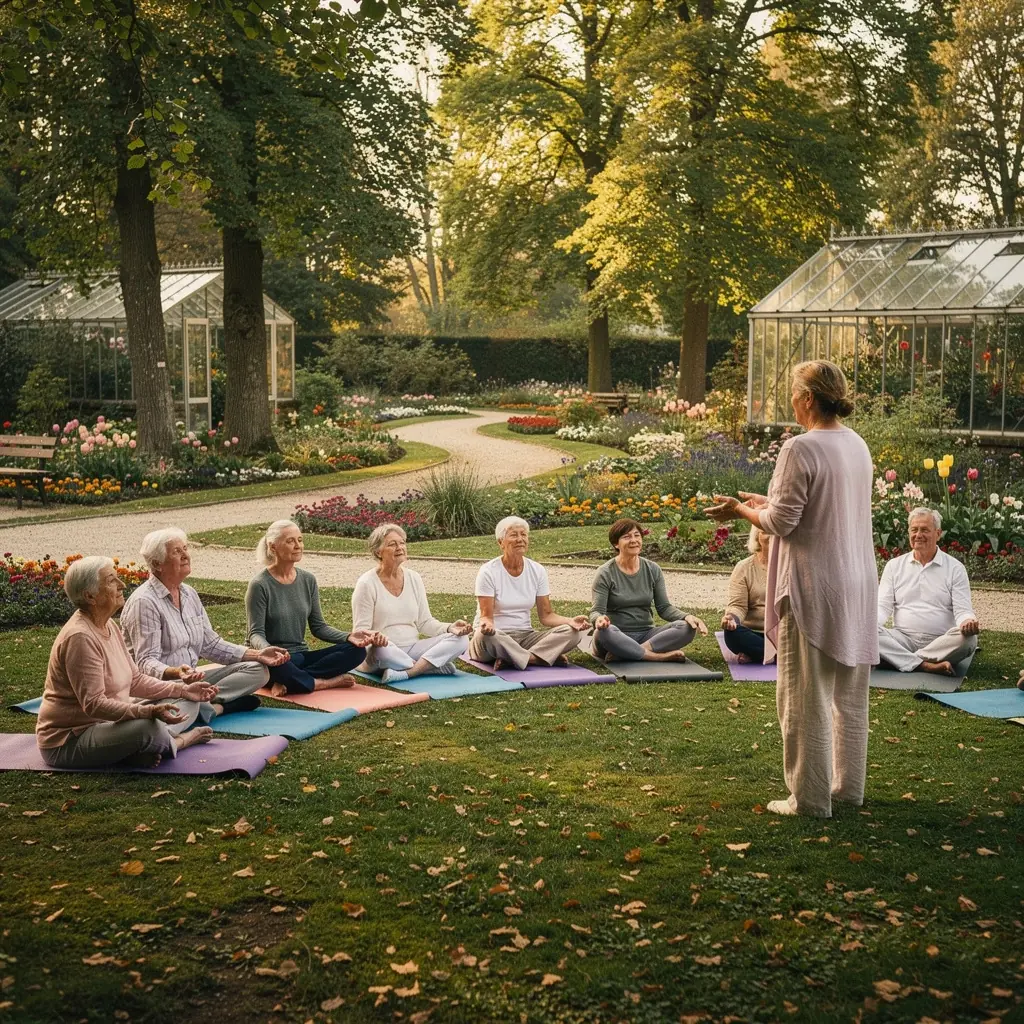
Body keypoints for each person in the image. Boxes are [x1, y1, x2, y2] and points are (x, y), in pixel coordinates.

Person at [706, 360, 877, 819]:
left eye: (793, 395)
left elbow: (781, 523)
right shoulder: (856, 444)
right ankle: (848, 789)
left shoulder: (800, 447)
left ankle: (810, 799)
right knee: (848, 696)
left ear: (807, 399)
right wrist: (765, 503)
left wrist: (740, 510)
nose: (791, 403)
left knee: (804, 697)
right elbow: (817, 507)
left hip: (815, 585)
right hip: (857, 582)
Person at [36, 556, 218, 769]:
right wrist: (148, 713)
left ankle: (137, 747)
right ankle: (179, 741)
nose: (122, 584)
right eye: (111, 580)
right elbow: (94, 705)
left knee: (188, 702)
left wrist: (182, 690)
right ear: (90, 596)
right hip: (70, 739)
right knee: (149, 728)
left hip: (111, 723)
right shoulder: (80, 637)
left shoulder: (108, 625)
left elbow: (136, 680)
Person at [122, 527, 290, 716]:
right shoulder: (144, 602)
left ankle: (202, 702)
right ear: (157, 564)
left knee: (258, 670)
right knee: (167, 720)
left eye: (185, 548)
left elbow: (210, 644)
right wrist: (176, 672)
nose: (185, 555)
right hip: (161, 688)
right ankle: (215, 707)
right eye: (176, 552)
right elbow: (145, 662)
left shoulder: (189, 594)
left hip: (191, 681)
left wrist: (257, 654)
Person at [246, 520, 387, 696]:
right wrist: (269, 652)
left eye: (300, 540)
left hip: (300, 656)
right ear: (272, 546)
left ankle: (292, 680)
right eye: (290, 541)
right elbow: (255, 634)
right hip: (272, 660)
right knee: (278, 667)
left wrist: (349, 636)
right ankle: (322, 683)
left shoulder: (308, 580)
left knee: (357, 651)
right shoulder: (259, 585)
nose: (298, 546)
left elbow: (319, 627)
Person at [351, 523, 471, 685]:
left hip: (412, 648)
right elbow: (360, 632)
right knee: (382, 651)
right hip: (384, 651)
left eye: (402, 543)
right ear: (378, 552)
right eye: (392, 544)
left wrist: (450, 628)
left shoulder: (414, 578)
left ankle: (410, 672)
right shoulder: (366, 583)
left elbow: (425, 623)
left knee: (461, 640)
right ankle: (430, 666)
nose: (400, 547)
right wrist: (374, 638)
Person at [468, 516, 589, 670]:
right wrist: (487, 626)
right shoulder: (488, 571)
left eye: (523, 534)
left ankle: (516, 658)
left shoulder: (537, 570)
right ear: (501, 542)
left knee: (573, 633)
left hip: (525, 637)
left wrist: (570, 621)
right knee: (484, 635)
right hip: (495, 636)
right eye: (514, 535)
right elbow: (486, 617)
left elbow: (546, 616)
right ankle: (538, 657)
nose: (520, 539)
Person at [877, 508, 980, 675]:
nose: (918, 535)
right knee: (866, 631)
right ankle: (924, 665)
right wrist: (870, 626)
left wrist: (967, 621)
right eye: (914, 530)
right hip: (902, 638)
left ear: (938, 534)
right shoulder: (894, 566)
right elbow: (882, 607)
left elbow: (963, 610)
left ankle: (899, 660)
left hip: (941, 641)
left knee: (969, 640)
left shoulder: (955, 568)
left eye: (924, 530)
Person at [589, 517, 707, 661]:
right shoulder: (605, 572)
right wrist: (599, 619)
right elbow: (596, 611)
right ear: (616, 543)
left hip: (647, 634)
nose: (633, 540)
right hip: (616, 634)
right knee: (603, 632)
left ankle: (628, 652)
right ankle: (655, 657)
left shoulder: (653, 569)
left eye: (637, 535)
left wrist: (687, 616)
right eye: (627, 537)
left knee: (686, 627)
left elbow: (664, 607)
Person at [721, 526, 771, 664]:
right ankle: (780, 656)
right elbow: (738, 606)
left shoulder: (792, 566)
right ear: (757, 537)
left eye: (776, 531)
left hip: (785, 634)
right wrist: (731, 619)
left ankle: (761, 654)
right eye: (766, 531)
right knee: (732, 634)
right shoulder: (743, 567)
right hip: (753, 633)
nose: (773, 536)